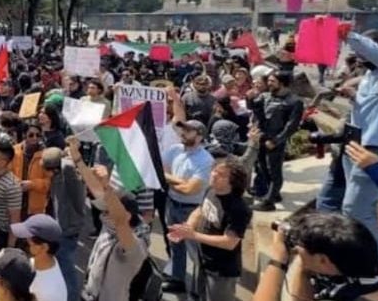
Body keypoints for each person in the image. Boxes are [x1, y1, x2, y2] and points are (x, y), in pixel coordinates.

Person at [66, 136, 147, 301]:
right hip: (90, 293)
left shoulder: (134, 245)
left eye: (109, 211)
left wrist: (107, 186)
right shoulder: (110, 228)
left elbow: (119, 219)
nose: (104, 214)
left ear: (127, 216)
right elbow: (96, 191)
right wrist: (78, 159)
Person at [167, 159, 252, 300]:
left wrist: (193, 235)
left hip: (221, 270)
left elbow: (229, 242)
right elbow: (200, 210)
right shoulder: (211, 190)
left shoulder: (238, 209)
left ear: (233, 181)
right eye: (214, 171)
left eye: (221, 175)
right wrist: (187, 227)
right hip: (203, 261)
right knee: (197, 295)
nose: (213, 175)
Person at [253, 213, 378, 301]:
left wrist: (278, 256)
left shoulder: (354, 296)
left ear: (323, 260)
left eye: (300, 249)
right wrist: (306, 267)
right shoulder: (369, 269)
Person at [337, 26, 378, 245]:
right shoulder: (369, 75)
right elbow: (368, 110)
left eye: (363, 51)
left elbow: (375, 52)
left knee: (354, 208)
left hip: (376, 149)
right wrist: (354, 96)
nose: (358, 57)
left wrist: (348, 35)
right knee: (365, 205)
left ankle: (368, 262)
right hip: (357, 143)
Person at [161, 119, 214, 294]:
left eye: (188, 131)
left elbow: (190, 190)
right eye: (182, 130)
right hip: (171, 204)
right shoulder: (174, 150)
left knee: (196, 251)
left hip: (192, 210)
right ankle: (178, 280)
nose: (183, 133)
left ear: (199, 136)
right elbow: (162, 172)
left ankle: (200, 289)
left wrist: (172, 181)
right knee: (175, 245)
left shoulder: (205, 160)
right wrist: (178, 181)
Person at [248, 71, 304, 212]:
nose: (269, 83)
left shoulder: (294, 101)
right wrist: (250, 99)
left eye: (272, 81)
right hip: (261, 137)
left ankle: (268, 202)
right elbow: (255, 109)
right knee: (262, 167)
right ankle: (274, 194)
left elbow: (291, 126)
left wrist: (276, 141)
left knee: (274, 171)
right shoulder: (266, 96)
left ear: (282, 82)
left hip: (276, 140)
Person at [40, 147, 85, 301]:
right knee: (62, 266)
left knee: (67, 269)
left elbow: (78, 203)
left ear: (54, 169)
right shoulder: (60, 176)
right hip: (62, 229)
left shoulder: (67, 177)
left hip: (67, 230)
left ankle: (72, 297)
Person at [11, 214, 67, 301]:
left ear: (44, 247)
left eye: (28, 242)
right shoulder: (39, 263)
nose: (25, 242)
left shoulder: (49, 293)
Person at [0, 139, 23, 251]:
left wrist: (10, 248)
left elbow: (15, 220)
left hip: (0, 233)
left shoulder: (12, 186)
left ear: (3, 162)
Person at [10, 124, 50, 218]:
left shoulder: (45, 155)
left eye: (38, 135)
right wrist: (16, 183)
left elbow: (49, 182)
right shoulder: (14, 151)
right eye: (31, 135)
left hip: (35, 207)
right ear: (24, 135)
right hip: (15, 203)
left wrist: (32, 184)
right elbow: (8, 173)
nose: (35, 138)